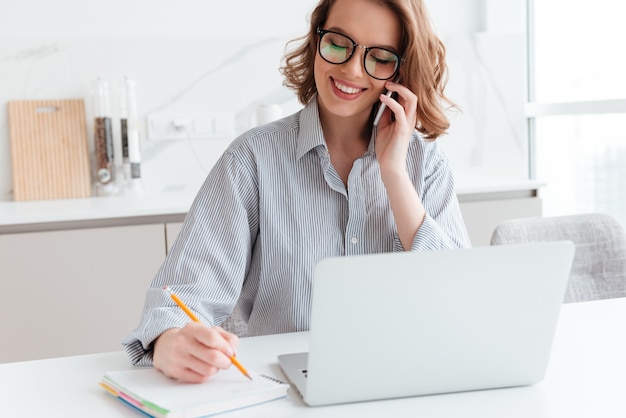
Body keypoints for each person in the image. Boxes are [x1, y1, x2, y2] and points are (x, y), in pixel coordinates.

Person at [123, 0, 471, 383]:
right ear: (316, 38)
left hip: (405, 385)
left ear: (401, 70)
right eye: (339, 43)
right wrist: (170, 340)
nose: (352, 69)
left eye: (380, 57)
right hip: (280, 395)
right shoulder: (251, 159)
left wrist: (394, 174)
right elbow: (180, 299)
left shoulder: (427, 164)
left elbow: (459, 303)